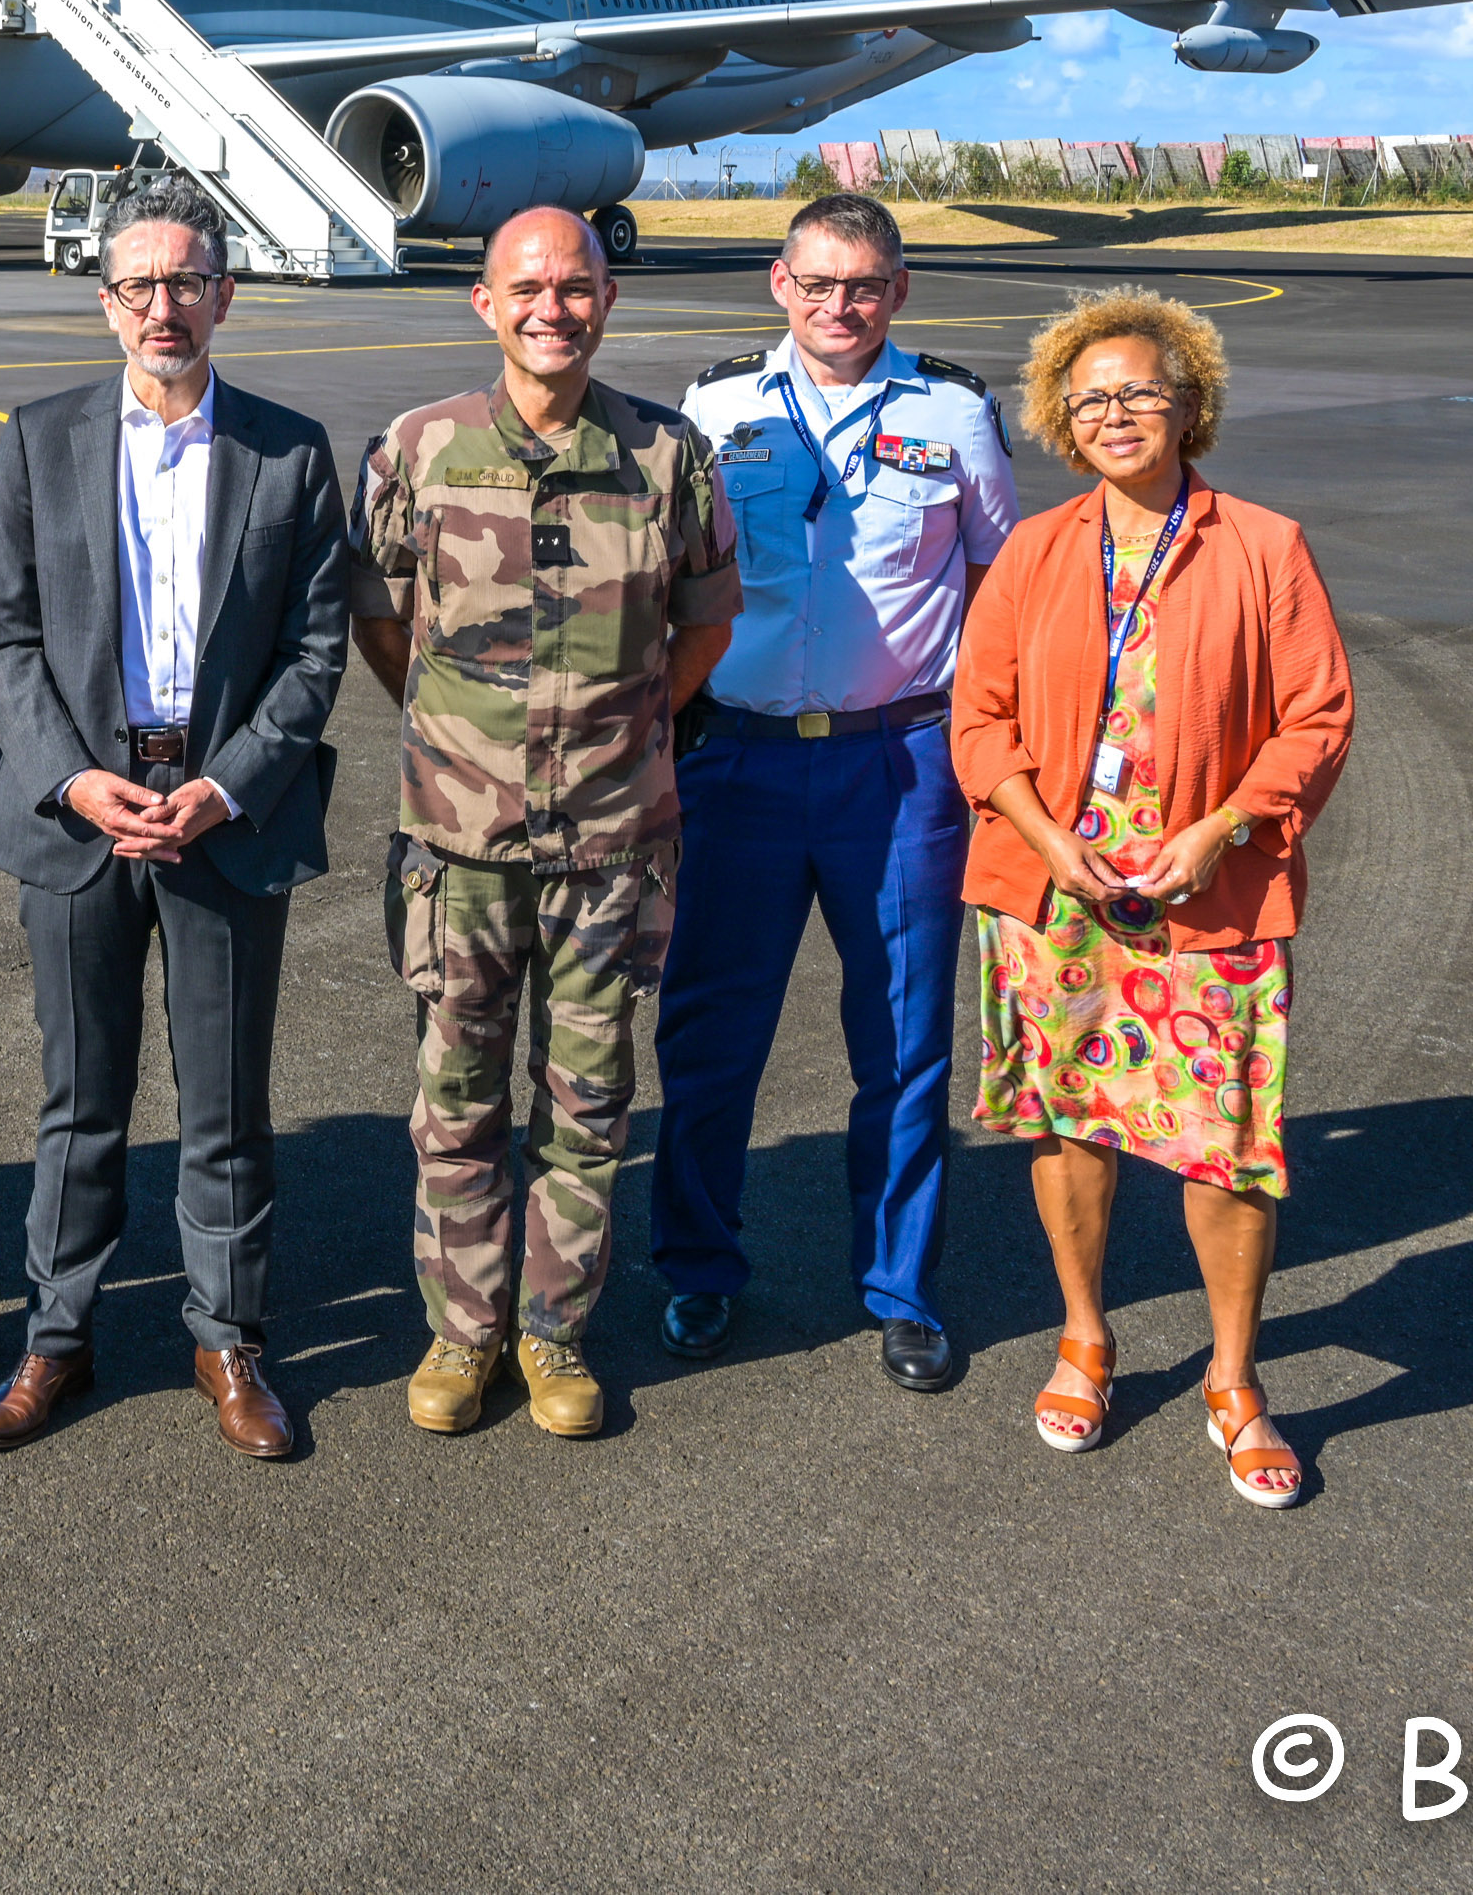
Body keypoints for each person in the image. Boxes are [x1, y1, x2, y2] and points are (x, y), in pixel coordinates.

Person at [0, 174, 350, 1459]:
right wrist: (76, 779)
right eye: (138, 286)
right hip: (82, 814)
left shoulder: (289, 452)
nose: (162, 307)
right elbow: (3, 640)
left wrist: (227, 782)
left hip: (222, 813)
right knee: (79, 1098)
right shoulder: (38, 437)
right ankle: (55, 1340)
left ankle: (227, 1338)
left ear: (224, 295)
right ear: (105, 304)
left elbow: (313, 652)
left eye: (186, 282)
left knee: (226, 1102)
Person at [952, 287, 1353, 1509]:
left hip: (1207, 888)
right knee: (1069, 1121)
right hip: (1058, 887)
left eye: (1138, 391)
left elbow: (1315, 718)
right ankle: (1086, 1334)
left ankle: (1234, 1381)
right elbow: (979, 721)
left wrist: (1222, 828)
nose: (1115, 412)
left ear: (1189, 407)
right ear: (1062, 425)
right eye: (1091, 399)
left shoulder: (1263, 547)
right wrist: (1041, 833)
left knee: (1224, 1147)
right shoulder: (1033, 550)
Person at [352, 208, 738, 1440]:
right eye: (526, 288)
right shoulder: (420, 449)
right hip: (459, 852)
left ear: (607, 300)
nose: (551, 309)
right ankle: (462, 1334)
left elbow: (705, 628)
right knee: (454, 1101)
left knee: (586, 1110)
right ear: (483, 302)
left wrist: (622, 736)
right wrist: (469, 746)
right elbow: (383, 626)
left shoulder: (669, 454)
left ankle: (553, 1331)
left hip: (612, 850)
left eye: (575, 287)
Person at [652, 192, 1017, 1389]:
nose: (839, 307)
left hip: (897, 762)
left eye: (862, 285)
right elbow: (669, 580)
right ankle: (699, 1269)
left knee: (905, 1039)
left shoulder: (954, 412)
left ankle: (901, 1286)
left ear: (897, 289)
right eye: (817, 284)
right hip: (740, 758)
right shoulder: (715, 407)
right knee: (711, 1033)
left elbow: (1003, 594)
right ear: (778, 285)